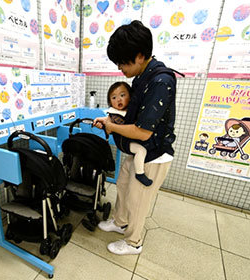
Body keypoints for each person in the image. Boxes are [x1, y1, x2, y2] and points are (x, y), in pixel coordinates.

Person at [93, 20, 178, 255]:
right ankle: (120, 223)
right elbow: (133, 116)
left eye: (122, 62)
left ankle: (133, 243)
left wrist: (112, 126)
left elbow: (143, 131)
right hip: (135, 149)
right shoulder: (142, 77)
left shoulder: (161, 82)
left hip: (152, 154)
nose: (120, 68)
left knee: (137, 201)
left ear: (140, 56)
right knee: (122, 188)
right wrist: (113, 122)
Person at [97, 81, 153, 186]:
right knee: (141, 150)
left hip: (129, 139)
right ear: (110, 101)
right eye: (114, 98)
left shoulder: (129, 111)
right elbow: (110, 125)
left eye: (122, 95)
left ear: (130, 96)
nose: (118, 99)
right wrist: (105, 124)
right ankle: (140, 173)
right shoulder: (114, 112)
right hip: (124, 142)